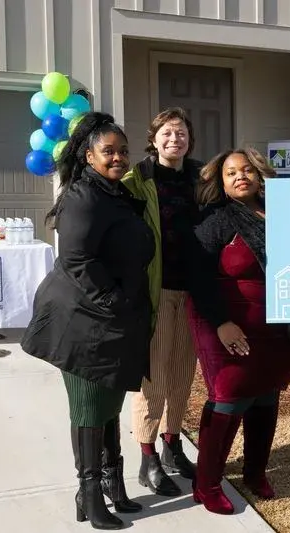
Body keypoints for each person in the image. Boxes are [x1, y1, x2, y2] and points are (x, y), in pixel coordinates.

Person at [21, 112, 154, 530]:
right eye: (108, 151)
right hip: (83, 320)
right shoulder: (83, 195)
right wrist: (114, 299)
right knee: (88, 409)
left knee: (109, 403)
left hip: (110, 319)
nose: (118, 158)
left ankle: (113, 485)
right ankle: (89, 492)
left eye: (123, 151)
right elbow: (76, 259)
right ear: (89, 155)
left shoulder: (113, 193)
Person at [184, 147, 290, 514]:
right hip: (225, 322)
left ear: (259, 176)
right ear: (222, 183)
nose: (240, 176)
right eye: (231, 173)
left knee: (266, 395)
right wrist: (221, 324)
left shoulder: (285, 216)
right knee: (229, 396)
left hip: (275, 322)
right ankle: (206, 484)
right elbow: (197, 277)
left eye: (246, 170)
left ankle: (254, 473)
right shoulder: (215, 220)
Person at [123, 107, 205, 496]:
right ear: (154, 139)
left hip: (193, 290)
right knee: (152, 378)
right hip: (155, 291)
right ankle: (148, 456)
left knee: (182, 375)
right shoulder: (137, 179)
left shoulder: (202, 178)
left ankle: (173, 445)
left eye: (182, 132)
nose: (176, 138)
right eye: (168, 132)